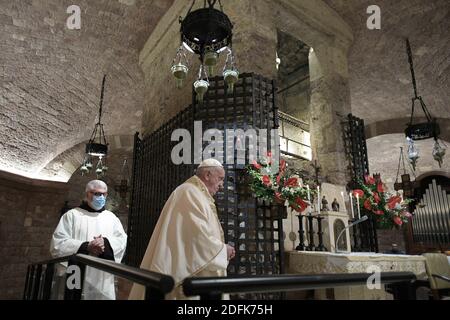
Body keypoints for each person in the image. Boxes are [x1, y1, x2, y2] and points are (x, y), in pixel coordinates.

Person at [129, 159, 235, 300]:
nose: (221, 185)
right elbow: (195, 237)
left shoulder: (196, 193)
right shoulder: (189, 192)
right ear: (208, 175)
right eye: (220, 178)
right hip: (191, 276)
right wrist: (222, 250)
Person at [50, 180, 127, 300]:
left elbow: (122, 241)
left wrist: (105, 244)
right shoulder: (72, 215)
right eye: (95, 193)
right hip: (75, 271)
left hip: (102, 274)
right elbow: (58, 243)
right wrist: (86, 246)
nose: (100, 197)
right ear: (87, 194)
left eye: (103, 194)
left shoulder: (112, 218)